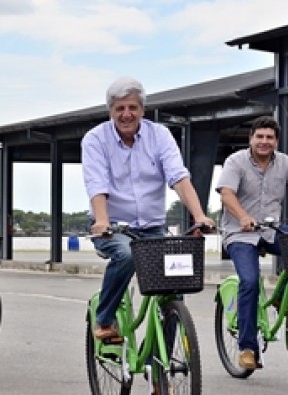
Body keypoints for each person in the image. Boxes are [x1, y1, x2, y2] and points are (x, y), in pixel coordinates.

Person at [82, 77, 215, 341]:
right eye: (119, 109)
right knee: (126, 255)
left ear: (142, 110)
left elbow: (178, 177)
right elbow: (97, 183)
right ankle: (104, 318)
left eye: (132, 107)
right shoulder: (95, 139)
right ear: (110, 111)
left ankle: (159, 368)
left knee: (176, 283)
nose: (126, 114)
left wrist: (199, 216)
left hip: (153, 227)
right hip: (113, 226)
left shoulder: (160, 135)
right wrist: (102, 220)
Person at [215, 115, 288, 370]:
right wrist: (243, 216)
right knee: (249, 281)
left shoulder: (286, 163)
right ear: (251, 139)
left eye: (269, 137)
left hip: (271, 229)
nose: (264, 142)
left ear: (276, 141)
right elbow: (227, 194)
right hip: (240, 233)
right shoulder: (235, 161)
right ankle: (247, 347)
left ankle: (280, 298)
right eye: (260, 137)